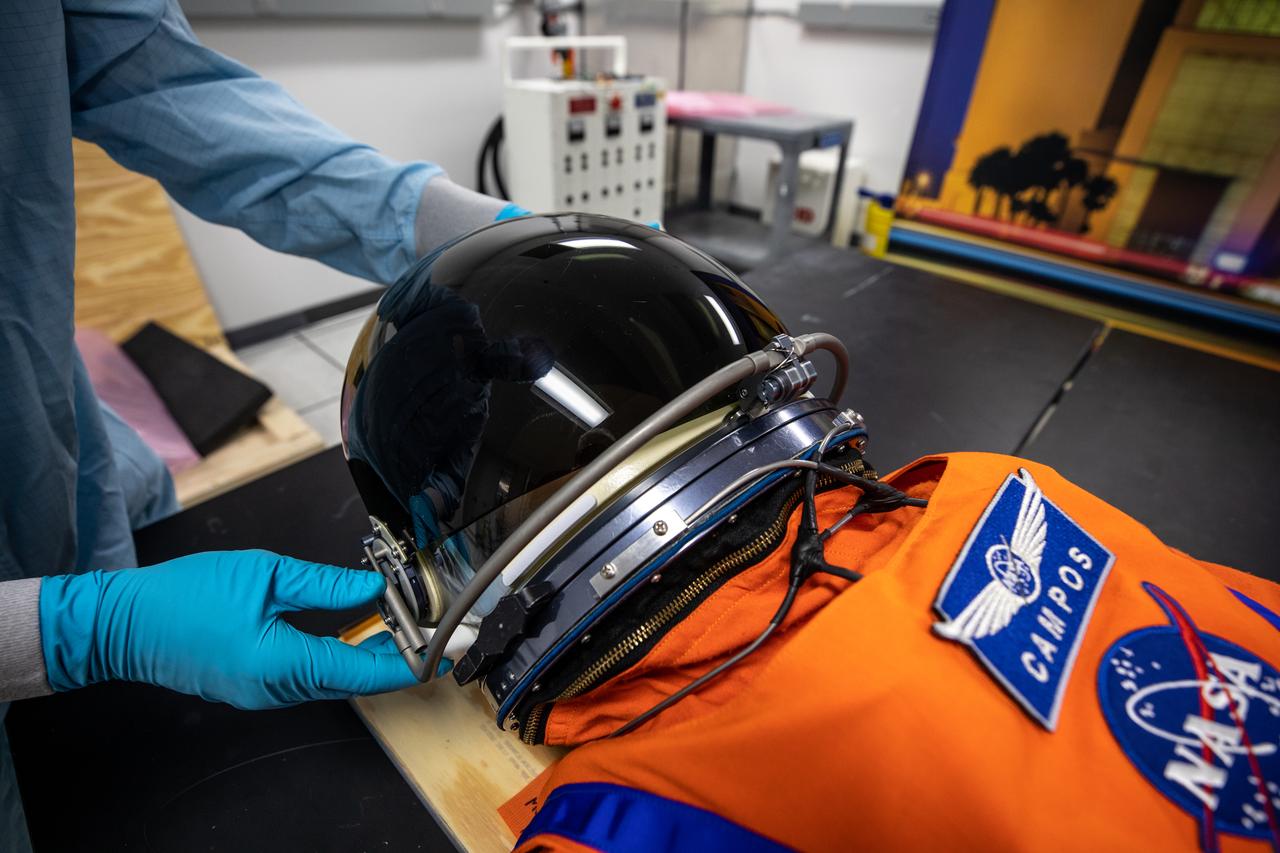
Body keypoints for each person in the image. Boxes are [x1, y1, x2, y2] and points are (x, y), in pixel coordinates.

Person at [0, 1, 527, 848]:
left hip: (34, 427)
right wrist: (69, 630)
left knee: (101, 739)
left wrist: (462, 226)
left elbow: (167, 85)